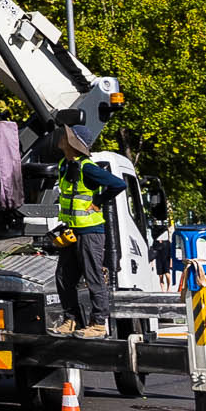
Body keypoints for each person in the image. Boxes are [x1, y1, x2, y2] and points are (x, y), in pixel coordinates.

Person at [51, 129, 130, 336]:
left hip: (90, 232)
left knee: (93, 277)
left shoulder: (87, 167)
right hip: (72, 232)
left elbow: (118, 184)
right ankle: (72, 320)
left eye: (65, 137)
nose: (60, 139)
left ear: (73, 143)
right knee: (63, 278)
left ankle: (98, 324)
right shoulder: (64, 165)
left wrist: (98, 202)